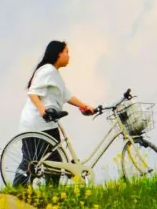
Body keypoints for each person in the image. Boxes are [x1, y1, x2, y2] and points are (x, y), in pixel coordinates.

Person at [14, 40, 96, 186]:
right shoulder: (47, 70)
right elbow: (33, 92)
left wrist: (84, 106)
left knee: (54, 161)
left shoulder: (54, 73)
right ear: (58, 54)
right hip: (37, 123)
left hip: (46, 123)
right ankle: (18, 189)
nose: (69, 56)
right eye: (66, 52)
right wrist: (42, 109)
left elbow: (66, 95)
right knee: (33, 160)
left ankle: (50, 192)